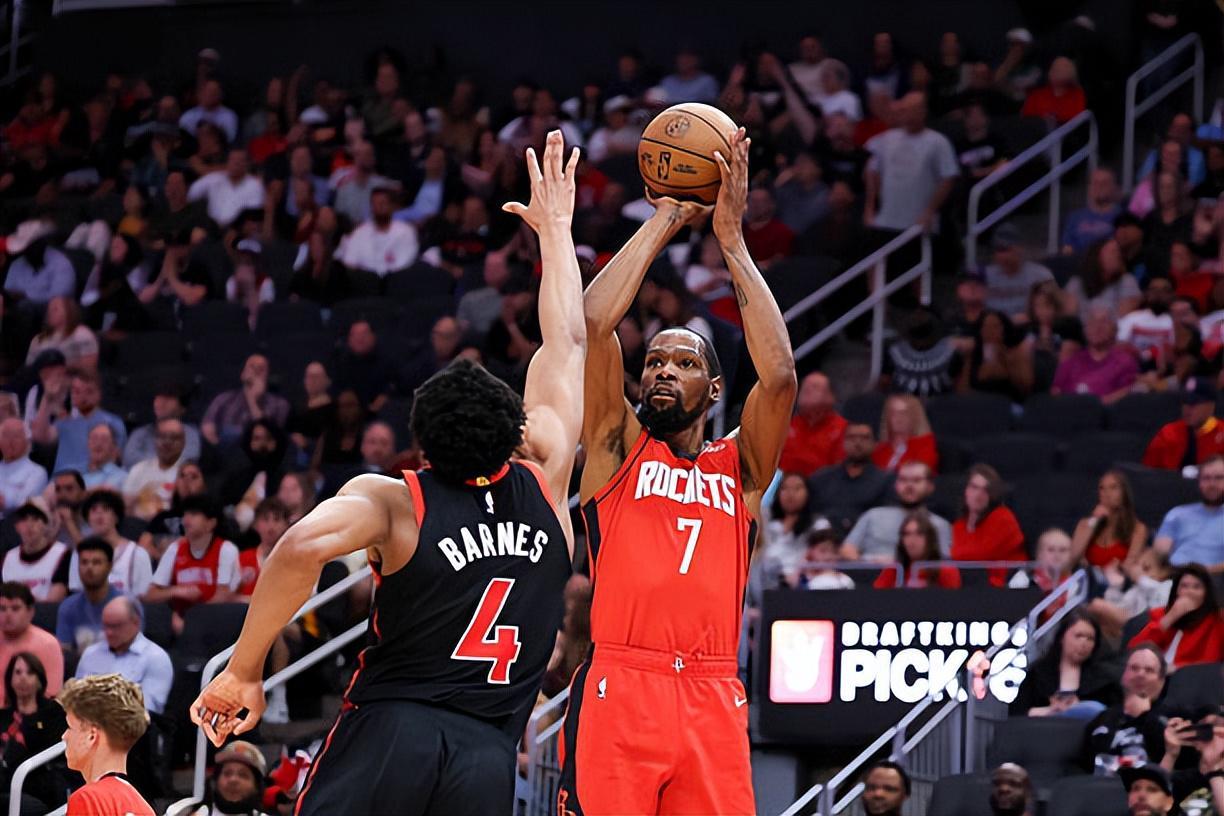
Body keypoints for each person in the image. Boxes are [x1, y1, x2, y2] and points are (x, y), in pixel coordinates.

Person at [192, 130, 583, 816]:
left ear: (422, 449)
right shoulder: (547, 482)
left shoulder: (396, 501)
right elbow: (568, 340)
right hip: (487, 756)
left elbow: (298, 547)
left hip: (391, 732)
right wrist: (556, 230)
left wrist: (244, 669)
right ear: (513, 433)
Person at [560, 127, 795, 816]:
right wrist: (665, 215)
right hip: (621, 681)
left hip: (713, 692)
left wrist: (732, 242)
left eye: (685, 362)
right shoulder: (616, 447)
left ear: (715, 390)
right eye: (656, 361)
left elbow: (779, 376)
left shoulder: (740, 468)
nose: (663, 369)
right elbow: (592, 324)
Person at [58, 673, 155, 816]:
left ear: (91, 736)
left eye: (70, 727)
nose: (64, 736)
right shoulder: (144, 807)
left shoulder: (87, 799)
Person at [863, 91, 958, 234]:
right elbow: (872, 172)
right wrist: (870, 207)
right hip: (886, 220)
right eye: (905, 110)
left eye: (913, 110)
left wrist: (930, 211)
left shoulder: (938, 142)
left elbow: (948, 178)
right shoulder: (884, 140)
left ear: (923, 112)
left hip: (919, 223)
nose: (908, 115)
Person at [145, 494, 241, 630]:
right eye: (185, 514)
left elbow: (223, 597)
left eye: (194, 514)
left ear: (211, 523)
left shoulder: (226, 549)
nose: (186, 519)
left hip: (217, 622)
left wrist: (192, 623)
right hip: (180, 621)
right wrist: (176, 591)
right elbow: (150, 594)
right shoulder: (175, 548)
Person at [1011, 607, 1119, 718]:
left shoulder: (1105, 682)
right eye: (1078, 636)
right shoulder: (1037, 675)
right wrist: (1051, 710)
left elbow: (1114, 715)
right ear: (1062, 637)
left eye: (1090, 638)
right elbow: (1017, 713)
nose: (1084, 643)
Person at [75, 597, 174, 715]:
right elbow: (75, 697)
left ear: (136, 623)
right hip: (86, 720)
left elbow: (148, 710)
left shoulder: (156, 658)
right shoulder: (91, 653)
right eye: (106, 625)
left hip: (131, 723)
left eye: (116, 626)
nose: (109, 632)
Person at [1082, 645, 1168, 773]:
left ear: (1161, 682)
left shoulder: (1170, 718)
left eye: (1149, 670)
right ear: (1123, 676)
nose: (1140, 674)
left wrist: (1144, 716)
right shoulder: (1104, 718)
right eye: (1134, 668)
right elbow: (1087, 763)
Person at [843, 461, 952, 561]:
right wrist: (868, 563)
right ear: (896, 485)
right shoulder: (873, 515)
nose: (909, 485)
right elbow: (847, 550)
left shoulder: (940, 525)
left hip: (915, 575)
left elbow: (942, 563)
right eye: (903, 480)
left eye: (917, 480)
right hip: (870, 573)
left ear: (930, 486)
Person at [0, 652, 67, 810]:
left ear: (39, 680)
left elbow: (55, 752)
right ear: (10, 679)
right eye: (18, 672)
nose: (23, 678)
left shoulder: (52, 712)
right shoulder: (3, 716)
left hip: (39, 786)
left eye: (30, 672)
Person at [1129, 563, 1224, 670]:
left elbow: (1210, 664)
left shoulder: (1217, 621)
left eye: (1196, 587)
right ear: (1176, 591)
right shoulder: (1160, 614)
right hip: (1150, 674)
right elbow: (1135, 650)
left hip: (1189, 677)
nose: (1189, 592)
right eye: (1184, 586)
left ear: (1206, 594)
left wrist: (1177, 669)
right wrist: (1170, 618)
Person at [808, 423, 896, 537]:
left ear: (875, 444)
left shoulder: (886, 481)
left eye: (864, 438)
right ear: (843, 443)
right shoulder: (822, 479)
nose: (857, 443)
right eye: (852, 437)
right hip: (822, 539)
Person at [950, 464, 1026, 585]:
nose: (979, 494)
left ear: (993, 495)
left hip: (1002, 588)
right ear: (965, 491)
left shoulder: (1003, 518)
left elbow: (980, 556)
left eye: (986, 490)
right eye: (974, 487)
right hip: (967, 587)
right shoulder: (957, 526)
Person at [68, 490, 153, 596]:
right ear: (88, 519)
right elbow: (77, 591)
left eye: (105, 509)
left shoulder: (138, 553)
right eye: (93, 510)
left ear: (116, 517)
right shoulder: (79, 553)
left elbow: (145, 596)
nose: (99, 515)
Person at [1051, 306, 1139, 404]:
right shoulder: (1071, 362)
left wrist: (1095, 405)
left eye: (1104, 322)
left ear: (1115, 329)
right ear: (1085, 330)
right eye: (1092, 322)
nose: (1097, 327)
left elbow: (1129, 392)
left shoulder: (1125, 362)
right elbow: (1055, 392)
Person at [201, 354, 291, 448]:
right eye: (252, 367)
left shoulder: (280, 405)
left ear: (268, 376)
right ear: (243, 373)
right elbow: (207, 426)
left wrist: (252, 400)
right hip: (226, 450)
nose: (255, 371)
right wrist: (219, 447)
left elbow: (267, 435)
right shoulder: (224, 399)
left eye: (260, 369)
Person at [1152, 455, 1224, 570]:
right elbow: (1159, 555)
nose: (1212, 484)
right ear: (1199, 482)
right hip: (1173, 574)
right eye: (1206, 478)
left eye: (1219, 478)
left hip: (1213, 577)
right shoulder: (1177, 514)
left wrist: (1199, 573)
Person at [166, 740, 272, 816]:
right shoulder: (185, 812)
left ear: (257, 786)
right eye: (227, 773)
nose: (233, 780)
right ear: (215, 780)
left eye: (243, 775)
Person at [1071, 469, 1148, 570]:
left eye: (1113, 487)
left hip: (1119, 578)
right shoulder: (1085, 524)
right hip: (1089, 577)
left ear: (1124, 493)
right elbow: (1072, 559)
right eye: (1102, 488)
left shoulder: (1137, 529)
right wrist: (1094, 521)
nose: (1107, 493)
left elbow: (1130, 565)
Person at [55, 538, 121, 657]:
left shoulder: (127, 606)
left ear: (110, 566)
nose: (89, 568)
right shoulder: (68, 607)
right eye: (84, 562)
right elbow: (64, 654)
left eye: (96, 562)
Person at [0, 583, 62, 706]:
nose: (8, 615)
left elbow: (51, 694)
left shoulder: (48, 644)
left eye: (15, 609)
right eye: (2, 609)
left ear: (30, 611)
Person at [1143, 379, 1224, 471]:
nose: (1188, 408)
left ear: (1211, 405)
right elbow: (1147, 472)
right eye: (1185, 402)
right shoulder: (1167, 433)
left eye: (1194, 403)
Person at [777, 372, 847, 478]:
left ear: (831, 396)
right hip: (783, 484)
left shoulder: (844, 429)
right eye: (804, 387)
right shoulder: (785, 426)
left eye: (815, 387)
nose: (807, 390)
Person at [336, 187, 419, 276]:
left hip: (396, 279)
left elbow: (405, 263)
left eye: (382, 203)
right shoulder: (360, 232)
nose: (378, 207)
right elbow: (350, 261)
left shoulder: (405, 232)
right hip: (363, 280)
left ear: (392, 206)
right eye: (374, 204)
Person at [982, 224, 1055, 321]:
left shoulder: (1041, 275)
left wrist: (1030, 317)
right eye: (999, 250)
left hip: (1029, 326)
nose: (1004, 256)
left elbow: (1054, 307)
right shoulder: (983, 276)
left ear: (1020, 248)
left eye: (1007, 249)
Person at [873, 509, 961, 588]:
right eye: (907, 534)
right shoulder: (894, 570)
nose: (912, 540)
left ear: (930, 538)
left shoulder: (946, 570)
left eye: (919, 534)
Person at [3, 500, 69, 602]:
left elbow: (53, 604)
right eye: (24, 520)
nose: (29, 525)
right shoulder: (7, 558)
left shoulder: (62, 554)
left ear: (45, 524)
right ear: (17, 527)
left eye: (35, 519)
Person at [122, 416, 187, 517]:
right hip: (137, 524)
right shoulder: (139, 469)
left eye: (173, 438)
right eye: (162, 437)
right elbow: (126, 506)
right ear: (155, 440)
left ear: (183, 442)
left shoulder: (186, 472)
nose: (167, 442)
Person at [187, 148, 265, 228]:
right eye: (233, 160)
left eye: (240, 160)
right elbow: (191, 194)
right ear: (227, 162)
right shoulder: (214, 178)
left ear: (247, 164)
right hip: (211, 227)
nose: (236, 163)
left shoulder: (255, 185)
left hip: (239, 230)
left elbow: (253, 215)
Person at [1062, 168, 1123, 256]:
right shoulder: (1075, 217)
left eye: (1104, 183)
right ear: (1089, 187)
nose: (1099, 187)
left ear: (1114, 188)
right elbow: (1067, 249)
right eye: (1095, 183)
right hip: (1078, 261)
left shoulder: (1123, 217)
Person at [236, 498, 290, 597]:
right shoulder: (242, 559)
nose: (271, 526)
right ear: (255, 524)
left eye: (276, 519)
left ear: (286, 525)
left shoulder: (292, 559)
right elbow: (230, 596)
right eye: (265, 519)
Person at [872, 394, 938, 472]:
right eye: (893, 413)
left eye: (904, 413)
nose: (898, 418)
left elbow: (920, 472)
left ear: (915, 417)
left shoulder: (925, 443)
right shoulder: (879, 449)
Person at [0, 418, 48, 513]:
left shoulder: (37, 472)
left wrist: (4, 501)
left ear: (27, 442)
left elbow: (24, 504)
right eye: (6, 435)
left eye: (16, 436)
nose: (10, 441)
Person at [1021, 56, 1086, 125]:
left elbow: (1080, 122)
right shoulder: (1036, 96)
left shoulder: (1079, 96)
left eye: (1064, 69)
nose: (1058, 72)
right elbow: (1026, 120)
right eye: (1055, 68)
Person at [786, 529, 855, 590]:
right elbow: (791, 584)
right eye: (823, 551)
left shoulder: (845, 581)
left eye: (834, 552)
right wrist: (799, 569)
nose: (828, 556)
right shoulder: (801, 577)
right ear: (810, 551)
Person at [82, 423, 126, 491]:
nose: (98, 444)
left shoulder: (122, 478)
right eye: (94, 438)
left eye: (104, 439)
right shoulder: (77, 473)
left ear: (113, 447)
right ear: (88, 444)